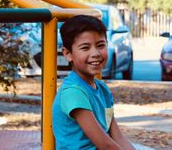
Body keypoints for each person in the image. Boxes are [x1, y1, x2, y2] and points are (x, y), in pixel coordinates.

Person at [52, 15, 135, 150]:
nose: (95, 53)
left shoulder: (102, 89)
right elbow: (105, 144)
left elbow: (117, 137)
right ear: (68, 54)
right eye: (85, 48)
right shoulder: (73, 92)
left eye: (100, 45)